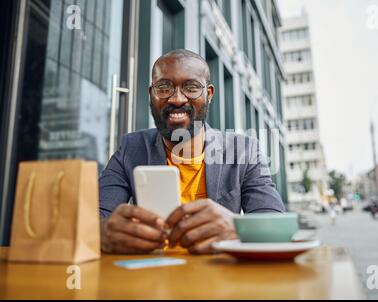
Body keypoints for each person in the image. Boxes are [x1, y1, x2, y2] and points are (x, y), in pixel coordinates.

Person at [99, 49, 285, 255]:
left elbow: (275, 225)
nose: (177, 99)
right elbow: (93, 218)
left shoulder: (243, 150)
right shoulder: (132, 147)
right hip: (153, 278)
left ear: (209, 94)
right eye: (163, 87)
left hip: (218, 276)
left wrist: (236, 230)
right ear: (151, 94)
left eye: (191, 87)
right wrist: (104, 231)